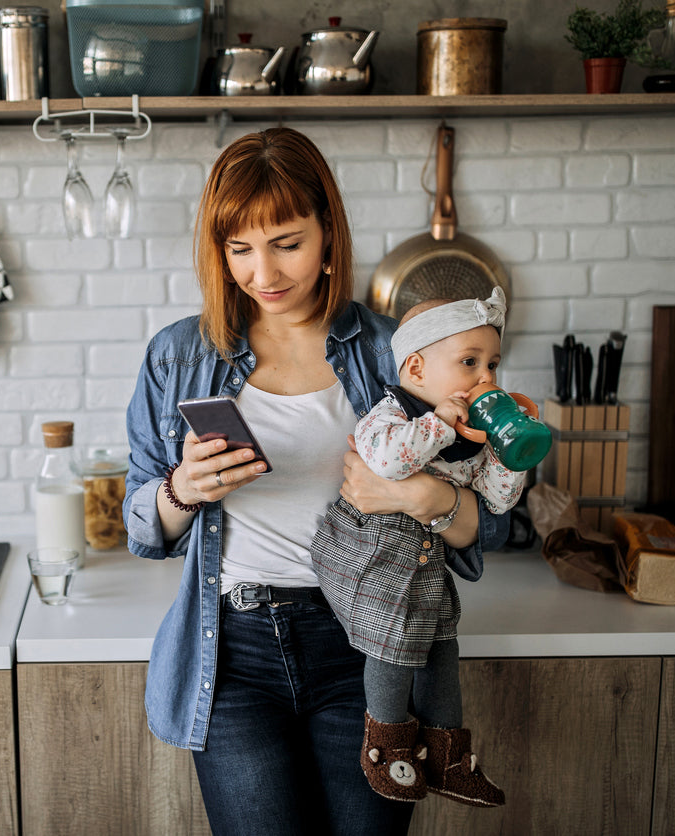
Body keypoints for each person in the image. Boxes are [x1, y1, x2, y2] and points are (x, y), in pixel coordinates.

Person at [122, 127, 510, 835]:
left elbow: (489, 529)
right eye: (239, 248)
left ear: (328, 232)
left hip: (367, 648)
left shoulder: (398, 353)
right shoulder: (180, 355)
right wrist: (184, 488)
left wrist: (425, 496)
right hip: (233, 652)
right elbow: (142, 525)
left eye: (286, 243)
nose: (260, 272)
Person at [310, 288, 521, 810]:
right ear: (418, 369)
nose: (486, 379)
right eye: (469, 362)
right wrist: (439, 424)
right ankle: (385, 745)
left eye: (493, 364)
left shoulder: (474, 433)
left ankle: (448, 754)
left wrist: (511, 451)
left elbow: (495, 500)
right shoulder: (390, 414)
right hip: (373, 557)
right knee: (391, 644)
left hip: (426, 566)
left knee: (442, 650)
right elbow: (386, 462)